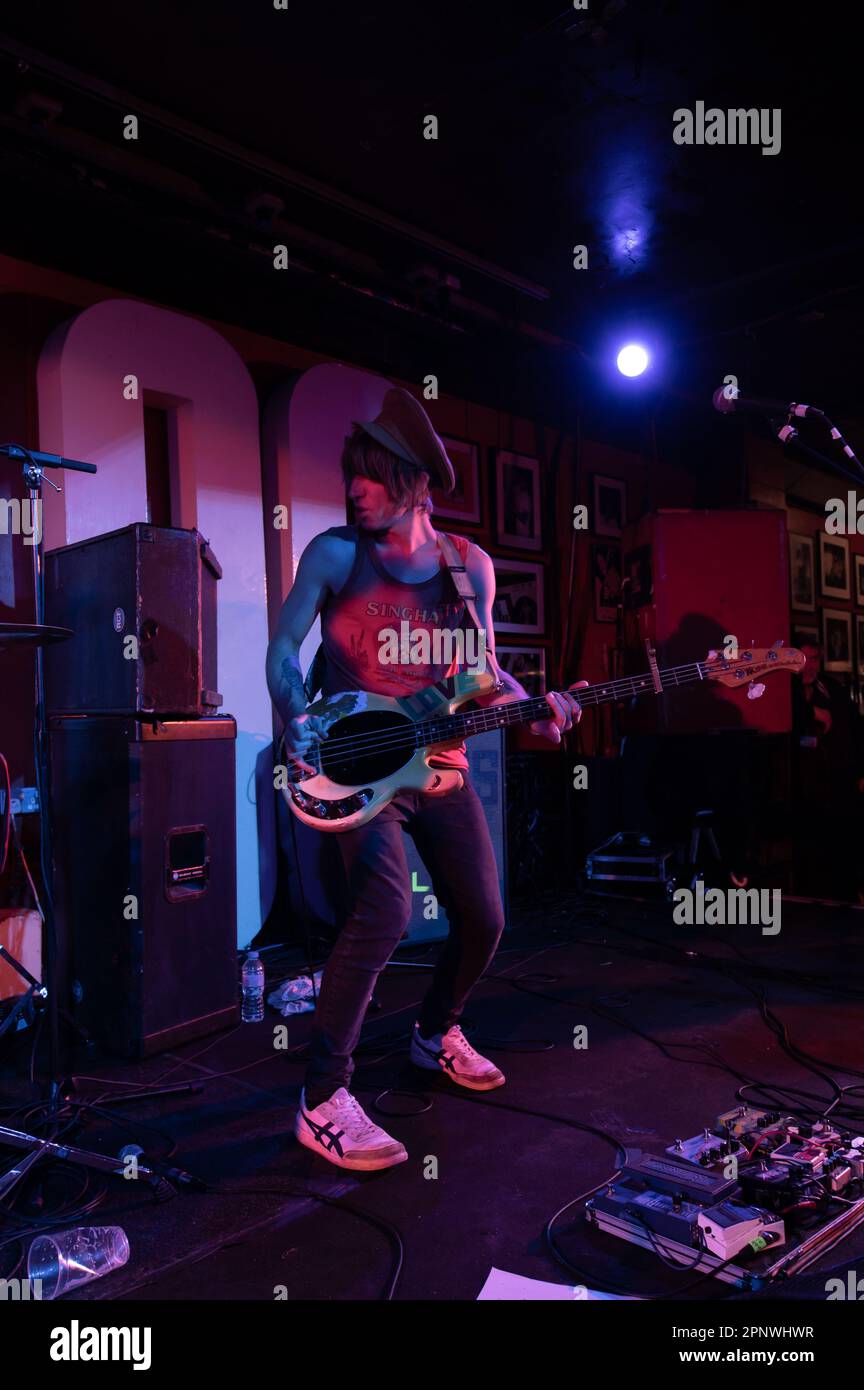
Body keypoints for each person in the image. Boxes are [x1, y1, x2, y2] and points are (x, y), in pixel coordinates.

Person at [266, 388, 585, 1170]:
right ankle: (322, 1098)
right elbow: (282, 650)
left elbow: (484, 674)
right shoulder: (335, 554)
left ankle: (434, 1031)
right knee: (384, 909)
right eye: (352, 473)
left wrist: (539, 710)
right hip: (353, 760)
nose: (355, 488)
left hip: (439, 762)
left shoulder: (467, 565)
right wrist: (296, 715)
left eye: (372, 475)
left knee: (484, 916)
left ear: (413, 482)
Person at [791, 640, 864, 900]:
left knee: (844, 839)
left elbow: (856, 729)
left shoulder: (832, 688)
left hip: (838, 778)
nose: (809, 666)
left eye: (814, 659)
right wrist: (810, 712)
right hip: (800, 783)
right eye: (803, 659)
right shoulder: (786, 690)